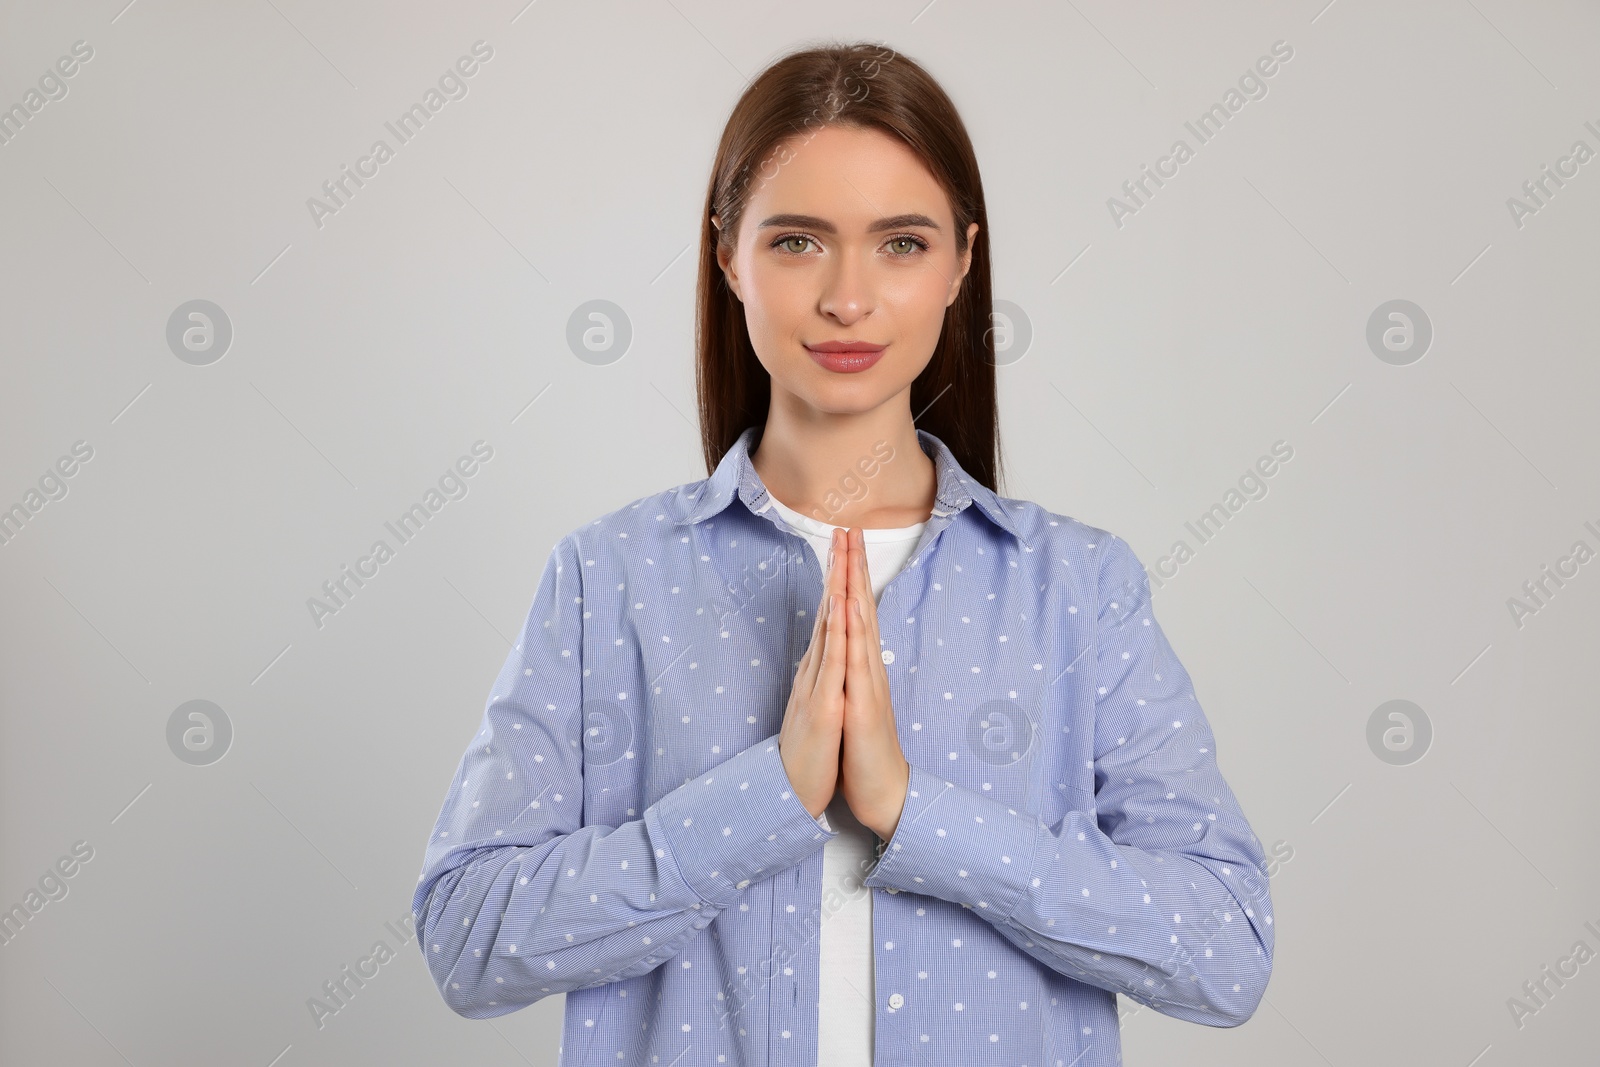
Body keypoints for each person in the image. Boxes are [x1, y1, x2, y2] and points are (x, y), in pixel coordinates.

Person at [411, 40, 1274, 1067]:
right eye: (798, 242)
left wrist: (917, 814)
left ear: (961, 259)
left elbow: (1226, 949)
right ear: (727, 253)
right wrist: (763, 799)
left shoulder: (1078, 589)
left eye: (901, 243)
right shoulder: (611, 578)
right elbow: (466, 936)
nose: (848, 298)